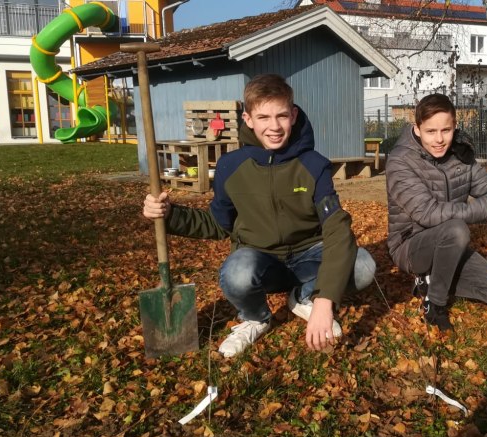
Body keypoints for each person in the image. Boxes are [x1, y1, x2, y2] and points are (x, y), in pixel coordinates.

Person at [143, 74, 375, 356]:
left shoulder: (314, 165)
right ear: (248, 119)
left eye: (281, 116)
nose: (274, 126)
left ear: (294, 115)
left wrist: (325, 301)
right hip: (261, 260)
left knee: (363, 265)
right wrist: (169, 215)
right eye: (263, 117)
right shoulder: (231, 167)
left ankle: (305, 296)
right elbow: (218, 224)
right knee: (237, 272)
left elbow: (337, 229)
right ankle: (254, 317)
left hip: (310, 255)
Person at [385, 93, 487, 331]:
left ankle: (428, 281)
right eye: (431, 131)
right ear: (417, 129)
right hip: (410, 245)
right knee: (456, 229)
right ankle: (435, 305)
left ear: (455, 127)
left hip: (450, 243)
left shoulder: (460, 157)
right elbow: (427, 214)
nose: (440, 139)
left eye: (446, 130)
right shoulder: (400, 161)